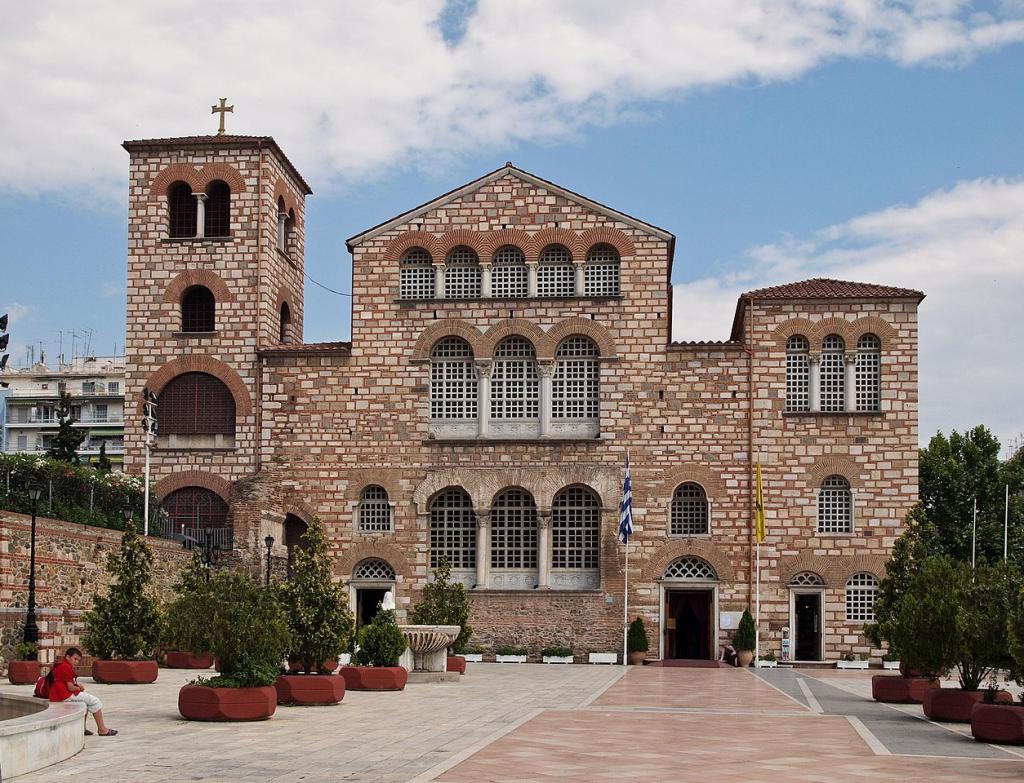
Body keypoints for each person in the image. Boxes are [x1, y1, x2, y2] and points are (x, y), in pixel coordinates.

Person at [49, 647, 117, 736]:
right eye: (75, 659)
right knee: (94, 701)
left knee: (85, 703)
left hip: (57, 695)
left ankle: (83, 729)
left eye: (78, 660)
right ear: (67, 657)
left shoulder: (60, 665)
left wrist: (76, 687)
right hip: (64, 695)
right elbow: (70, 688)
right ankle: (102, 729)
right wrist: (79, 688)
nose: (76, 662)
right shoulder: (66, 667)